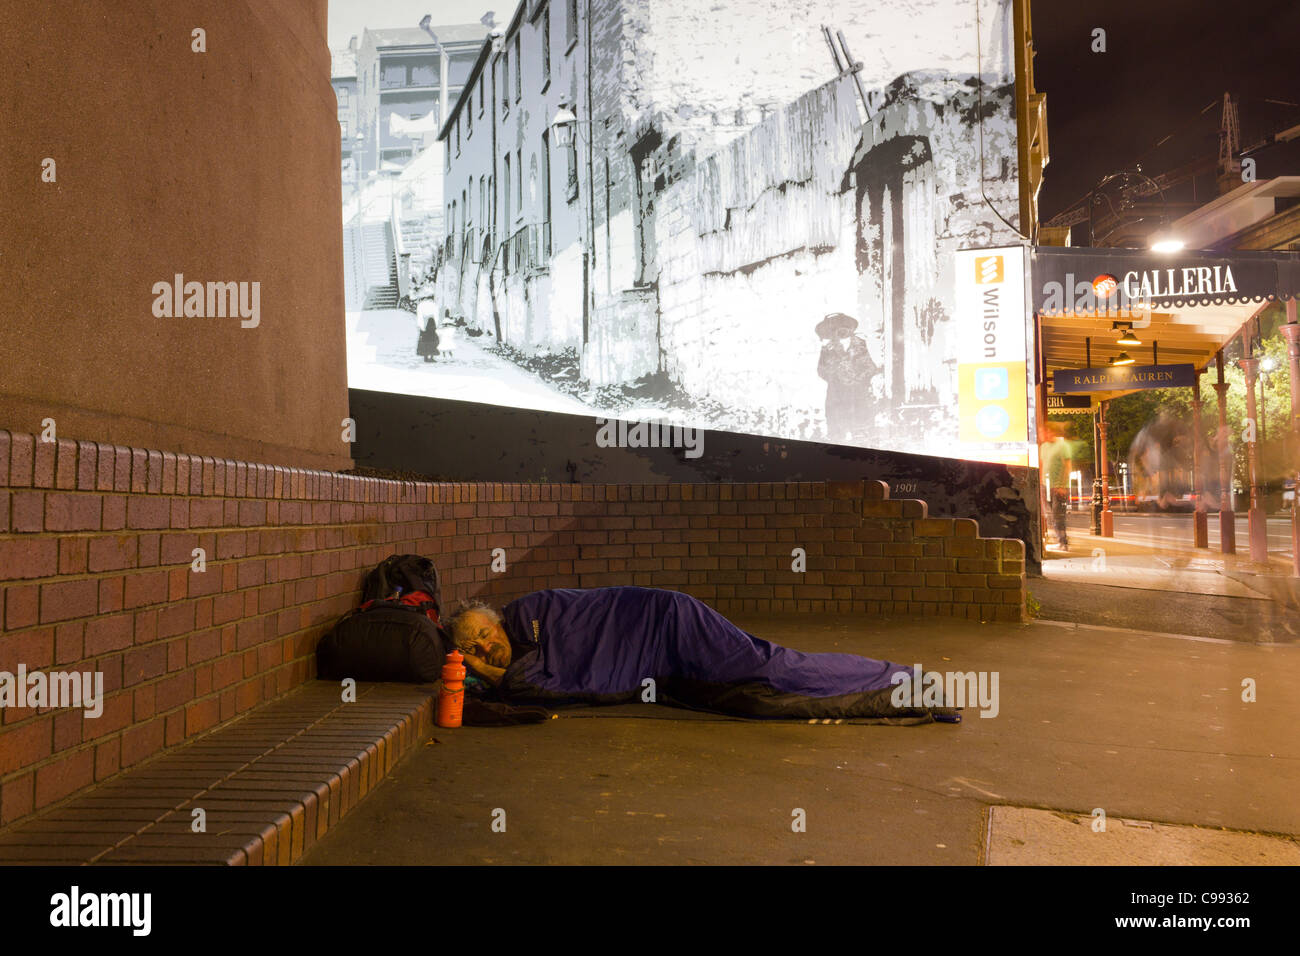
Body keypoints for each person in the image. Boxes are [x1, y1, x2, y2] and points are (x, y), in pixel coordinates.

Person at [445, 587, 957, 722]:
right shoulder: (524, 643)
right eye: (472, 647)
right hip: (665, 653)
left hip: (674, 626)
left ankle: (903, 679)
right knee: (765, 680)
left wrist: (476, 667)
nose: (486, 646)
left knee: (773, 668)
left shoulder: (534, 614)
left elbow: (529, 680)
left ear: (496, 619)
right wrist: (482, 667)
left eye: (483, 635)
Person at [816, 313, 876, 443]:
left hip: (858, 395)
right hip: (836, 395)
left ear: (850, 328)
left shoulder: (860, 345)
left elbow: (871, 368)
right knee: (836, 435)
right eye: (835, 328)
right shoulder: (827, 349)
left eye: (844, 327)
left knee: (861, 433)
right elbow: (821, 370)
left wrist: (857, 379)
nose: (841, 331)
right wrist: (837, 375)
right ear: (831, 332)